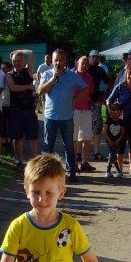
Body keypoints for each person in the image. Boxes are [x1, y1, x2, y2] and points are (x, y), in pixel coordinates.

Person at [37, 49, 87, 183]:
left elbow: (85, 88)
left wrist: (75, 100)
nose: (58, 63)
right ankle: (45, 173)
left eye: (61, 60)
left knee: (69, 146)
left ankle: (71, 172)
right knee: (48, 146)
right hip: (51, 116)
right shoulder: (47, 74)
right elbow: (40, 91)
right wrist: (53, 79)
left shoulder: (72, 75)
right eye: (56, 60)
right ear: (52, 61)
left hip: (67, 117)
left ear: (65, 62)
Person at [104, 65, 131, 176]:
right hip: (122, 120)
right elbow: (108, 100)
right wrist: (111, 112)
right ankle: (120, 169)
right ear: (126, 75)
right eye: (129, 74)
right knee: (120, 145)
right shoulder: (120, 87)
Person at [6, 50, 38, 168]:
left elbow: (32, 54)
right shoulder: (9, 74)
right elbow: (13, 88)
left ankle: (34, 161)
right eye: (14, 61)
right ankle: (19, 160)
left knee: (33, 137)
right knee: (17, 137)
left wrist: (19, 51)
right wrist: (29, 86)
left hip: (29, 110)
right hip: (15, 110)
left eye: (19, 61)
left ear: (23, 61)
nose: (17, 63)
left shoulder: (28, 70)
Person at [71, 55, 96, 173]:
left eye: (87, 64)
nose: (85, 66)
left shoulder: (89, 77)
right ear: (77, 64)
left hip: (86, 110)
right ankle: (74, 162)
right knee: (74, 136)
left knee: (87, 136)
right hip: (74, 110)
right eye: (83, 63)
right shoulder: (71, 76)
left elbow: (90, 93)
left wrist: (90, 102)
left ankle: (84, 162)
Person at [104, 102, 125, 178]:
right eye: (118, 111)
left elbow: (122, 133)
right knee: (113, 155)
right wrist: (109, 140)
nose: (119, 113)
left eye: (121, 112)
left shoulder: (121, 122)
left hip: (117, 141)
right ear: (113, 111)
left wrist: (118, 140)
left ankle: (108, 171)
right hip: (109, 141)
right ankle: (119, 171)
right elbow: (105, 131)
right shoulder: (109, 120)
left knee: (112, 155)